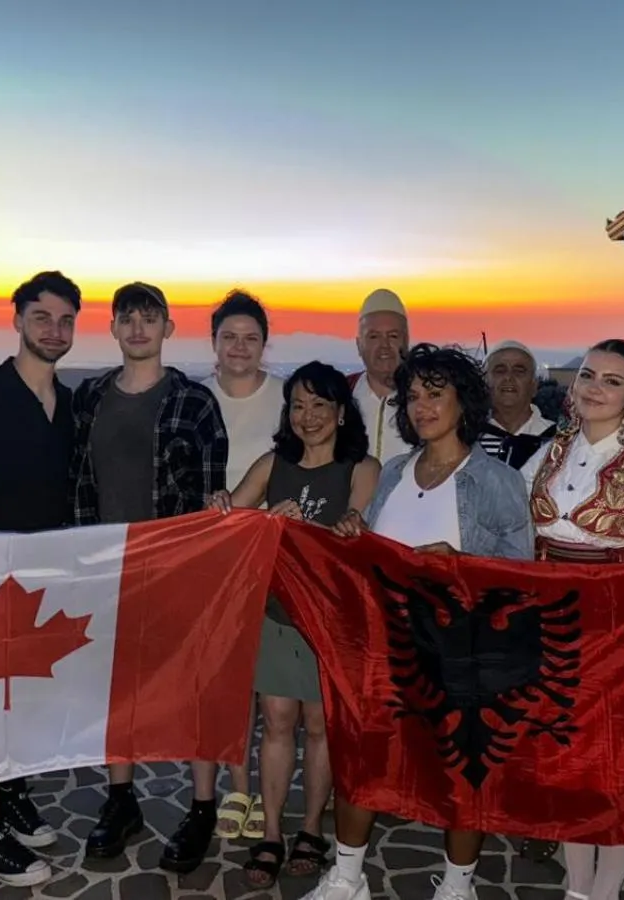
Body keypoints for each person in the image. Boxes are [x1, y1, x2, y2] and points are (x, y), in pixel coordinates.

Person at [305, 344, 534, 900]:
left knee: (462, 770)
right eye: (413, 396)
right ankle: (346, 879)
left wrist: (458, 565)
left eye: (436, 394)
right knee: (364, 758)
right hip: (385, 644)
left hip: (463, 648)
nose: (422, 407)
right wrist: (353, 534)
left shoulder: (497, 480)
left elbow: (522, 571)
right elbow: (376, 550)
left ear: (464, 402)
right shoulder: (395, 473)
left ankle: (457, 888)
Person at [520, 339, 624, 900]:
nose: (594, 387)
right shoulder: (548, 453)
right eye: (588, 375)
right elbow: (513, 529)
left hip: (619, 629)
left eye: (612, 380)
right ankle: (577, 886)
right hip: (548, 624)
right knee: (566, 760)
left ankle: (607, 890)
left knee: (615, 766)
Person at [68, 281, 230, 873]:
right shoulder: (87, 397)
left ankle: (203, 805)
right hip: (105, 565)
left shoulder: (195, 403)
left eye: (149, 318)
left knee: (194, 688)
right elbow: (76, 484)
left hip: (176, 569)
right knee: (117, 694)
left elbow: (215, 496)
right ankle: (121, 800)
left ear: (168, 329)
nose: (138, 328)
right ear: (112, 328)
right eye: (127, 318)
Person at [209, 361, 381, 889]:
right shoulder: (272, 462)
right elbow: (232, 521)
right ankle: (272, 834)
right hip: (278, 615)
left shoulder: (362, 467)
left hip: (332, 621)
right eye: (298, 405)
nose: (308, 417)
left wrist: (342, 527)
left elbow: (358, 530)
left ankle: (311, 829)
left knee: (320, 726)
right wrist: (235, 513)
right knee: (276, 723)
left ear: (340, 412)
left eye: (320, 406)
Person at [0, 272, 84, 886]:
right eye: (42, 317)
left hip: (49, 573)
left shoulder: (70, 403)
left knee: (24, 698)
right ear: (18, 320)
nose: (54, 330)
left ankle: (15, 793)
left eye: (65, 320)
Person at [202, 289, 284, 841]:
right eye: (229, 336)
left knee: (264, 678)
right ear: (213, 342)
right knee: (224, 674)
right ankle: (238, 786)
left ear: (263, 344)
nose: (239, 346)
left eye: (250, 338)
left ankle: (263, 783)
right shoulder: (193, 397)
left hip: (274, 552)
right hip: (210, 554)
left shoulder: (284, 398)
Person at [349, 288, 411, 464]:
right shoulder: (340, 395)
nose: (384, 345)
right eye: (374, 337)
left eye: (393, 336)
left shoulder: (425, 400)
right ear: (359, 345)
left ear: (406, 342)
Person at [479, 339, 555, 469]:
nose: (509, 377)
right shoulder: (467, 440)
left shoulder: (556, 440)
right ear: (485, 384)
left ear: (534, 386)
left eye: (519, 371)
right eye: (500, 370)